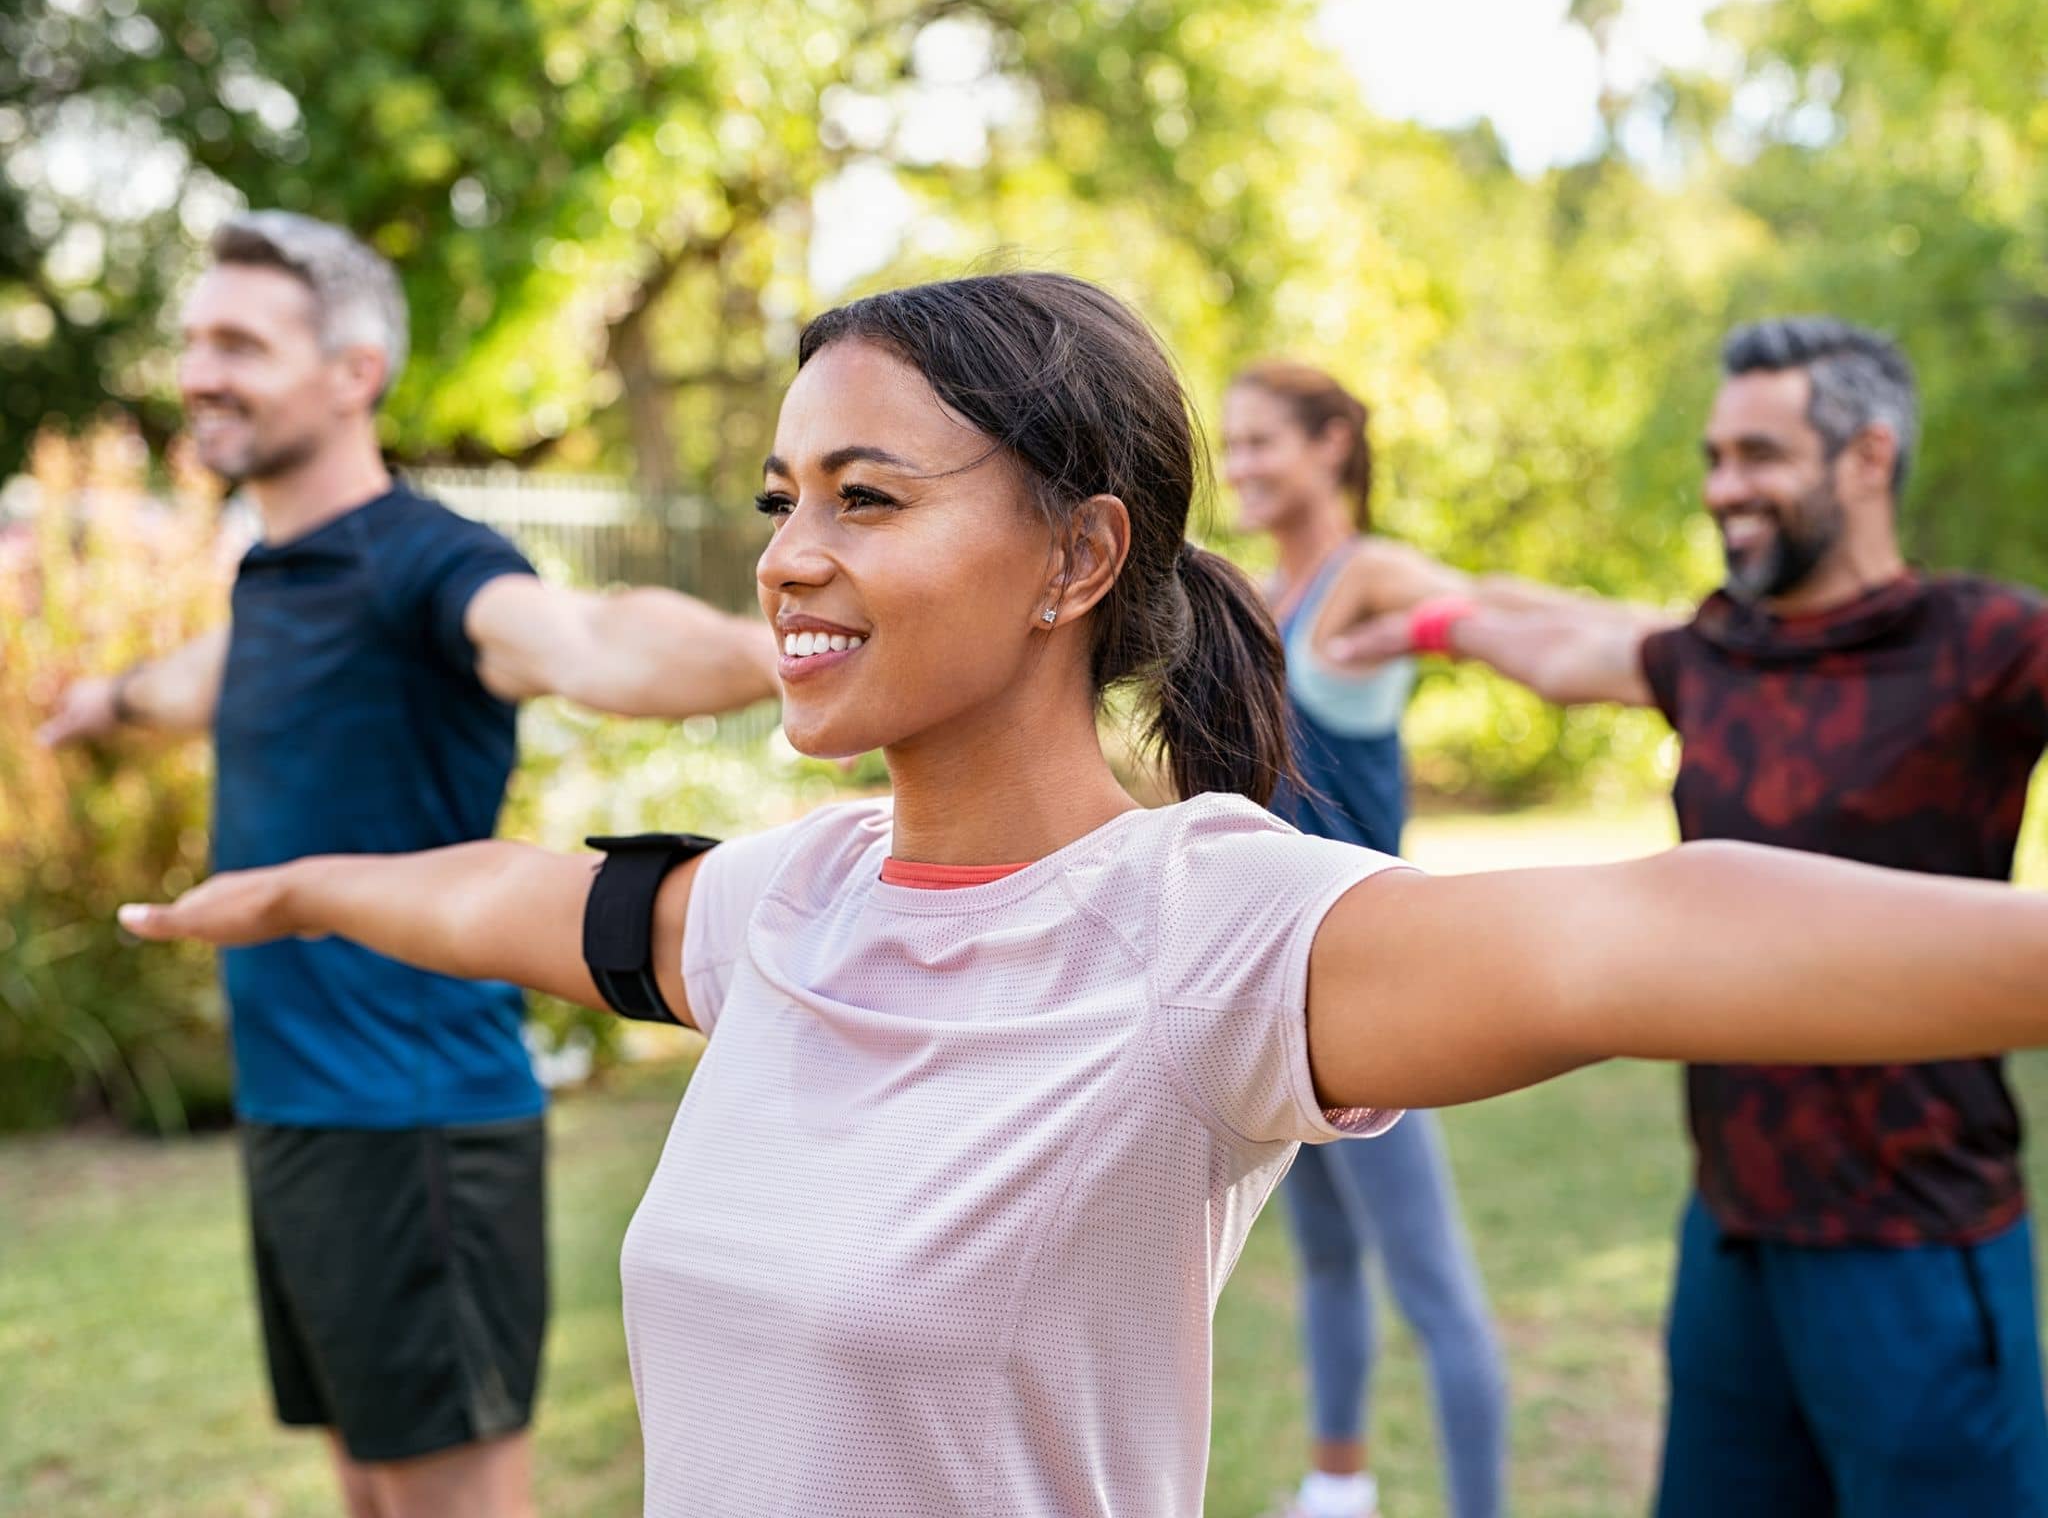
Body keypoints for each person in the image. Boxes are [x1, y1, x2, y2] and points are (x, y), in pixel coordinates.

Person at [116, 276, 2048, 1518]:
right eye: (782, 496)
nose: (788, 557)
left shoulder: (1201, 933)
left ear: (1074, 558)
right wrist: (301, 884)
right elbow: (515, 898)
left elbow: (1649, 930)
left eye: (865, 498)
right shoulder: (784, 907)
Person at [40, 212, 778, 1518]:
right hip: (303, 1121)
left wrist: (785, 654)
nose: (199, 368)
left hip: (416, 1127)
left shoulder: (428, 565)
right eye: (196, 337)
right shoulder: (278, 575)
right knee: (372, 1492)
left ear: (353, 371)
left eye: (239, 342)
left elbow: (587, 642)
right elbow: (204, 681)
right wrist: (102, 701)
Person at [1324, 316, 2048, 1517]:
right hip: (1731, 1235)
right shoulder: (1716, 648)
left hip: (1912, 1240)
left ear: (1867, 459)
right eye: (1715, 459)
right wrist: (1418, 626)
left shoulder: (1981, 643)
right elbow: (1558, 641)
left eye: (1758, 456)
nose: (1724, 490)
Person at [1222, 363, 1505, 1518]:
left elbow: (1492, 613)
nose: (1237, 465)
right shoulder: (1256, 592)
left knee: (1430, 1285)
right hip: (1278, 989)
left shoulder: (1366, 576)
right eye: (1229, 446)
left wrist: (1445, 630)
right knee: (1329, 1261)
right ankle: (1334, 1491)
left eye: (1261, 444)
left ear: (1332, 444)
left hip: (1373, 984)